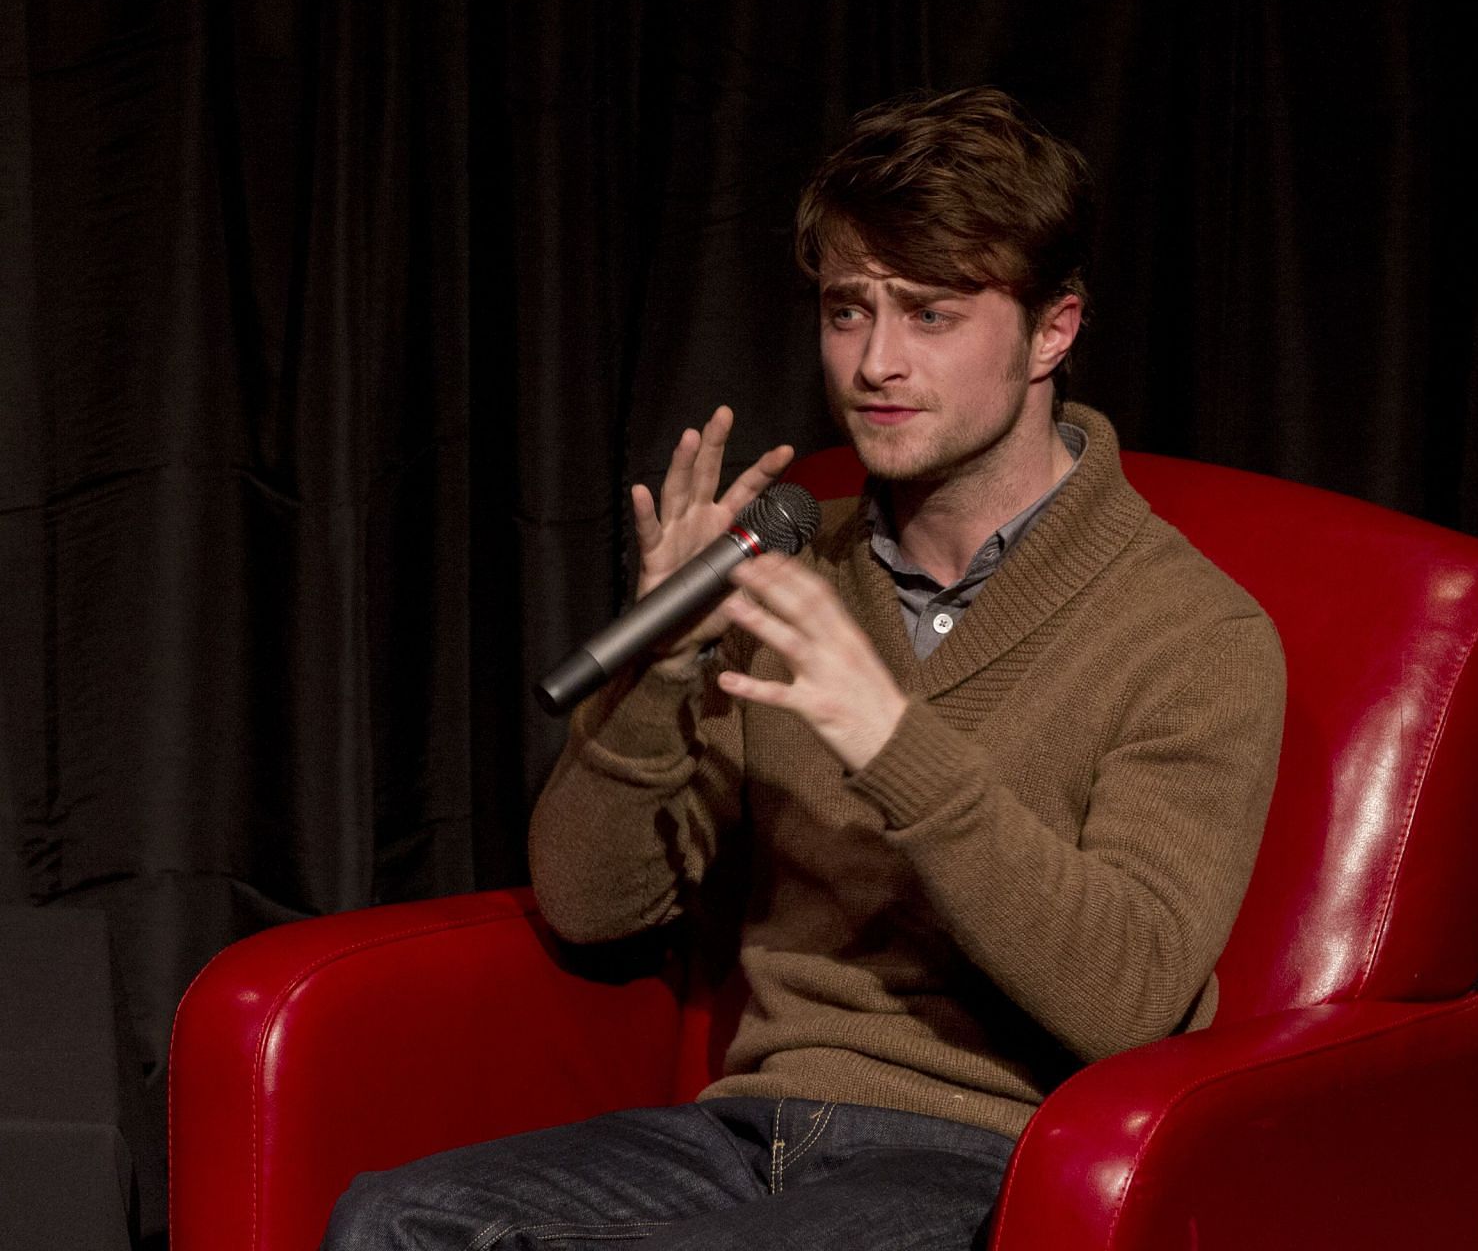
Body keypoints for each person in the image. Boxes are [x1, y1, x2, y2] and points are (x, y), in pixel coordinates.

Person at [324, 86, 1284, 1251]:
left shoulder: (1192, 631)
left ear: (1053, 329)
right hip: (748, 1132)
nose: (876, 362)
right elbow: (591, 904)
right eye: (847, 311)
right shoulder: (792, 567)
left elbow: (1131, 995)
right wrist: (667, 672)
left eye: (931, 315)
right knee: (392, 1219)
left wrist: (895, 740)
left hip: (989, 1155)